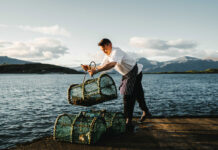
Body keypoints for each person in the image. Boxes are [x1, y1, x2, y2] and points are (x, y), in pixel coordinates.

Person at [81, 38, 151, 126]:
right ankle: (146, 112)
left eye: (105, 49)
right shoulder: (107, 55)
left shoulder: (116, 51)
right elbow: (102, 66)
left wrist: (96, 71)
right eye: (102, 50)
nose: (104, 51)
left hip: (135, 72)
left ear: (110, 44)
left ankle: (128, 120)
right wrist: (89, 68)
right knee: (138, 94)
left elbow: (112, 64)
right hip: (127, 74)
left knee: (128, 95)